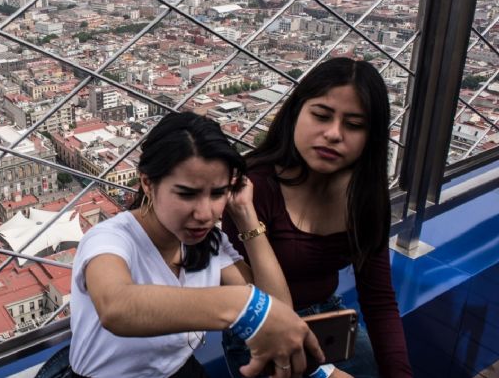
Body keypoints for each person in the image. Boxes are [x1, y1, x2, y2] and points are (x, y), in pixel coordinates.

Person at [66, 111, 324, 378]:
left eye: (217, 193)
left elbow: (278, 310)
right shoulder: (110, 238)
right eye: (187, 194)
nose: (204, 214)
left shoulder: (210, 243)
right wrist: (238, 304)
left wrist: (247, 216)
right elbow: (116, 307)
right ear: (148, 183)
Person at [221, 57, 412, 378]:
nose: (334, 134)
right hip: (259, 324)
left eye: (353, 125)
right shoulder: (255, 187)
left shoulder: (363, 196)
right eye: (321, 116)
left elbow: (378, 300)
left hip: (331, 319)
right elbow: (254, 302)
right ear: (296, 113)